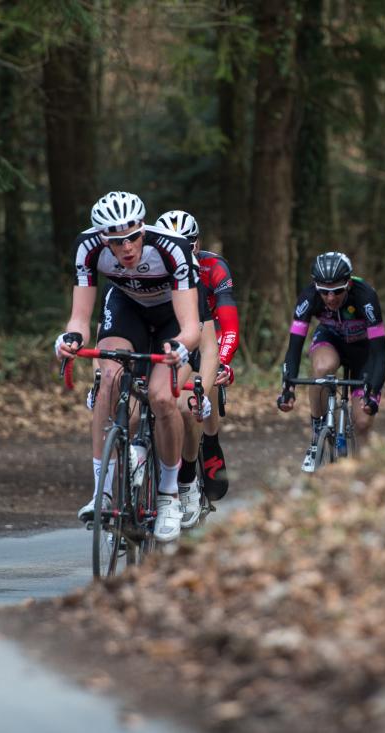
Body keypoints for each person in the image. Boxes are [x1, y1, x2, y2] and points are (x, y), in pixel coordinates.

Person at [54, 191, 201, 543]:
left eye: (134, 237)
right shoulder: (87, 247)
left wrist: (180, 348)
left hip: (172, 316)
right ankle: (102, 492)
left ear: (143, 228)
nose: (127, 247)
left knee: (162, 397)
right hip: (127, 307)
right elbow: (79, 319)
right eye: (117, 241)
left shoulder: (172, 248)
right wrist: (69, 339)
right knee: (109, 377)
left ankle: (168, 495)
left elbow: (191, 328)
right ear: (103, 238)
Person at [155, 210, 240, 523]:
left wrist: (223, 361)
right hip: (169, 335)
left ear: (198, 244)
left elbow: (229, 325)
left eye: (188, 244)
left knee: (206, 378)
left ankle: (210, 444)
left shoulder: (213, 267)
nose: (182, 251)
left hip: (206, 333)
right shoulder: (151, 269)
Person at [276, 251, 385, 472]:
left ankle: (363, 475)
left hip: (363, 352)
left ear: (348, 283)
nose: (330, 298)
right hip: (330, 341)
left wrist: (373, 393)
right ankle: (317, 434)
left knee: (363, 421)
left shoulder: (366, 297)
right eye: (324, 291)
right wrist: (288, 388)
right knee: (322, 367)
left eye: (337, 290)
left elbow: (380, 355)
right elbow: (294, 348)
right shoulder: (309, 297)